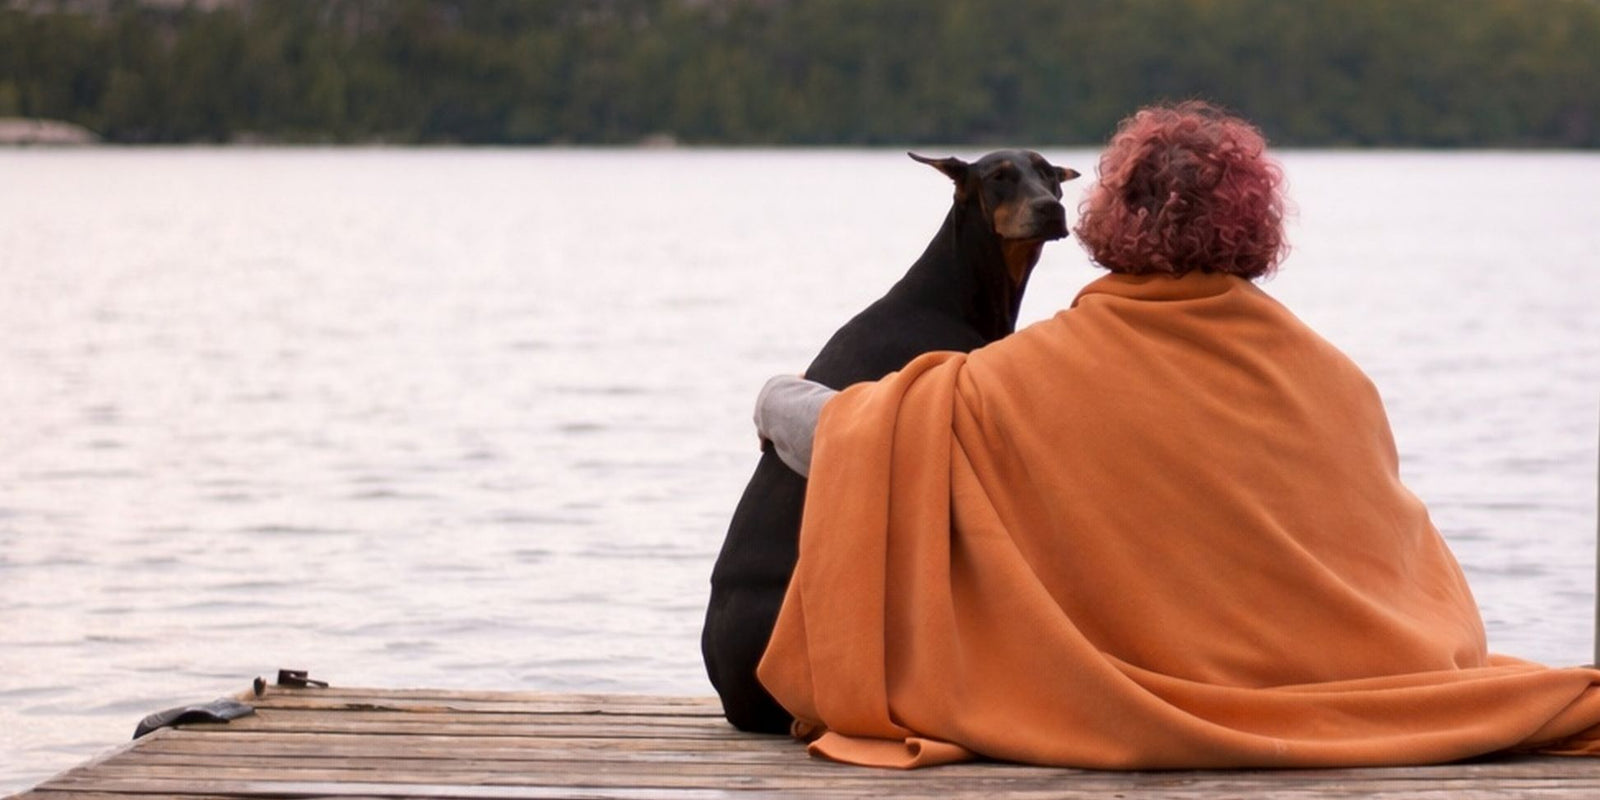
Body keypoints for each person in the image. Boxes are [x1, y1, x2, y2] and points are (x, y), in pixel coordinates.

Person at [747, 101, 1600, 769]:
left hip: (1153, 695)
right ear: (1259, 228)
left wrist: (776, 396)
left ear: (1106, 219)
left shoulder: (1031, 375)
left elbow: (860, 443)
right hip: (1366, 677)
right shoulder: (1338, 380)